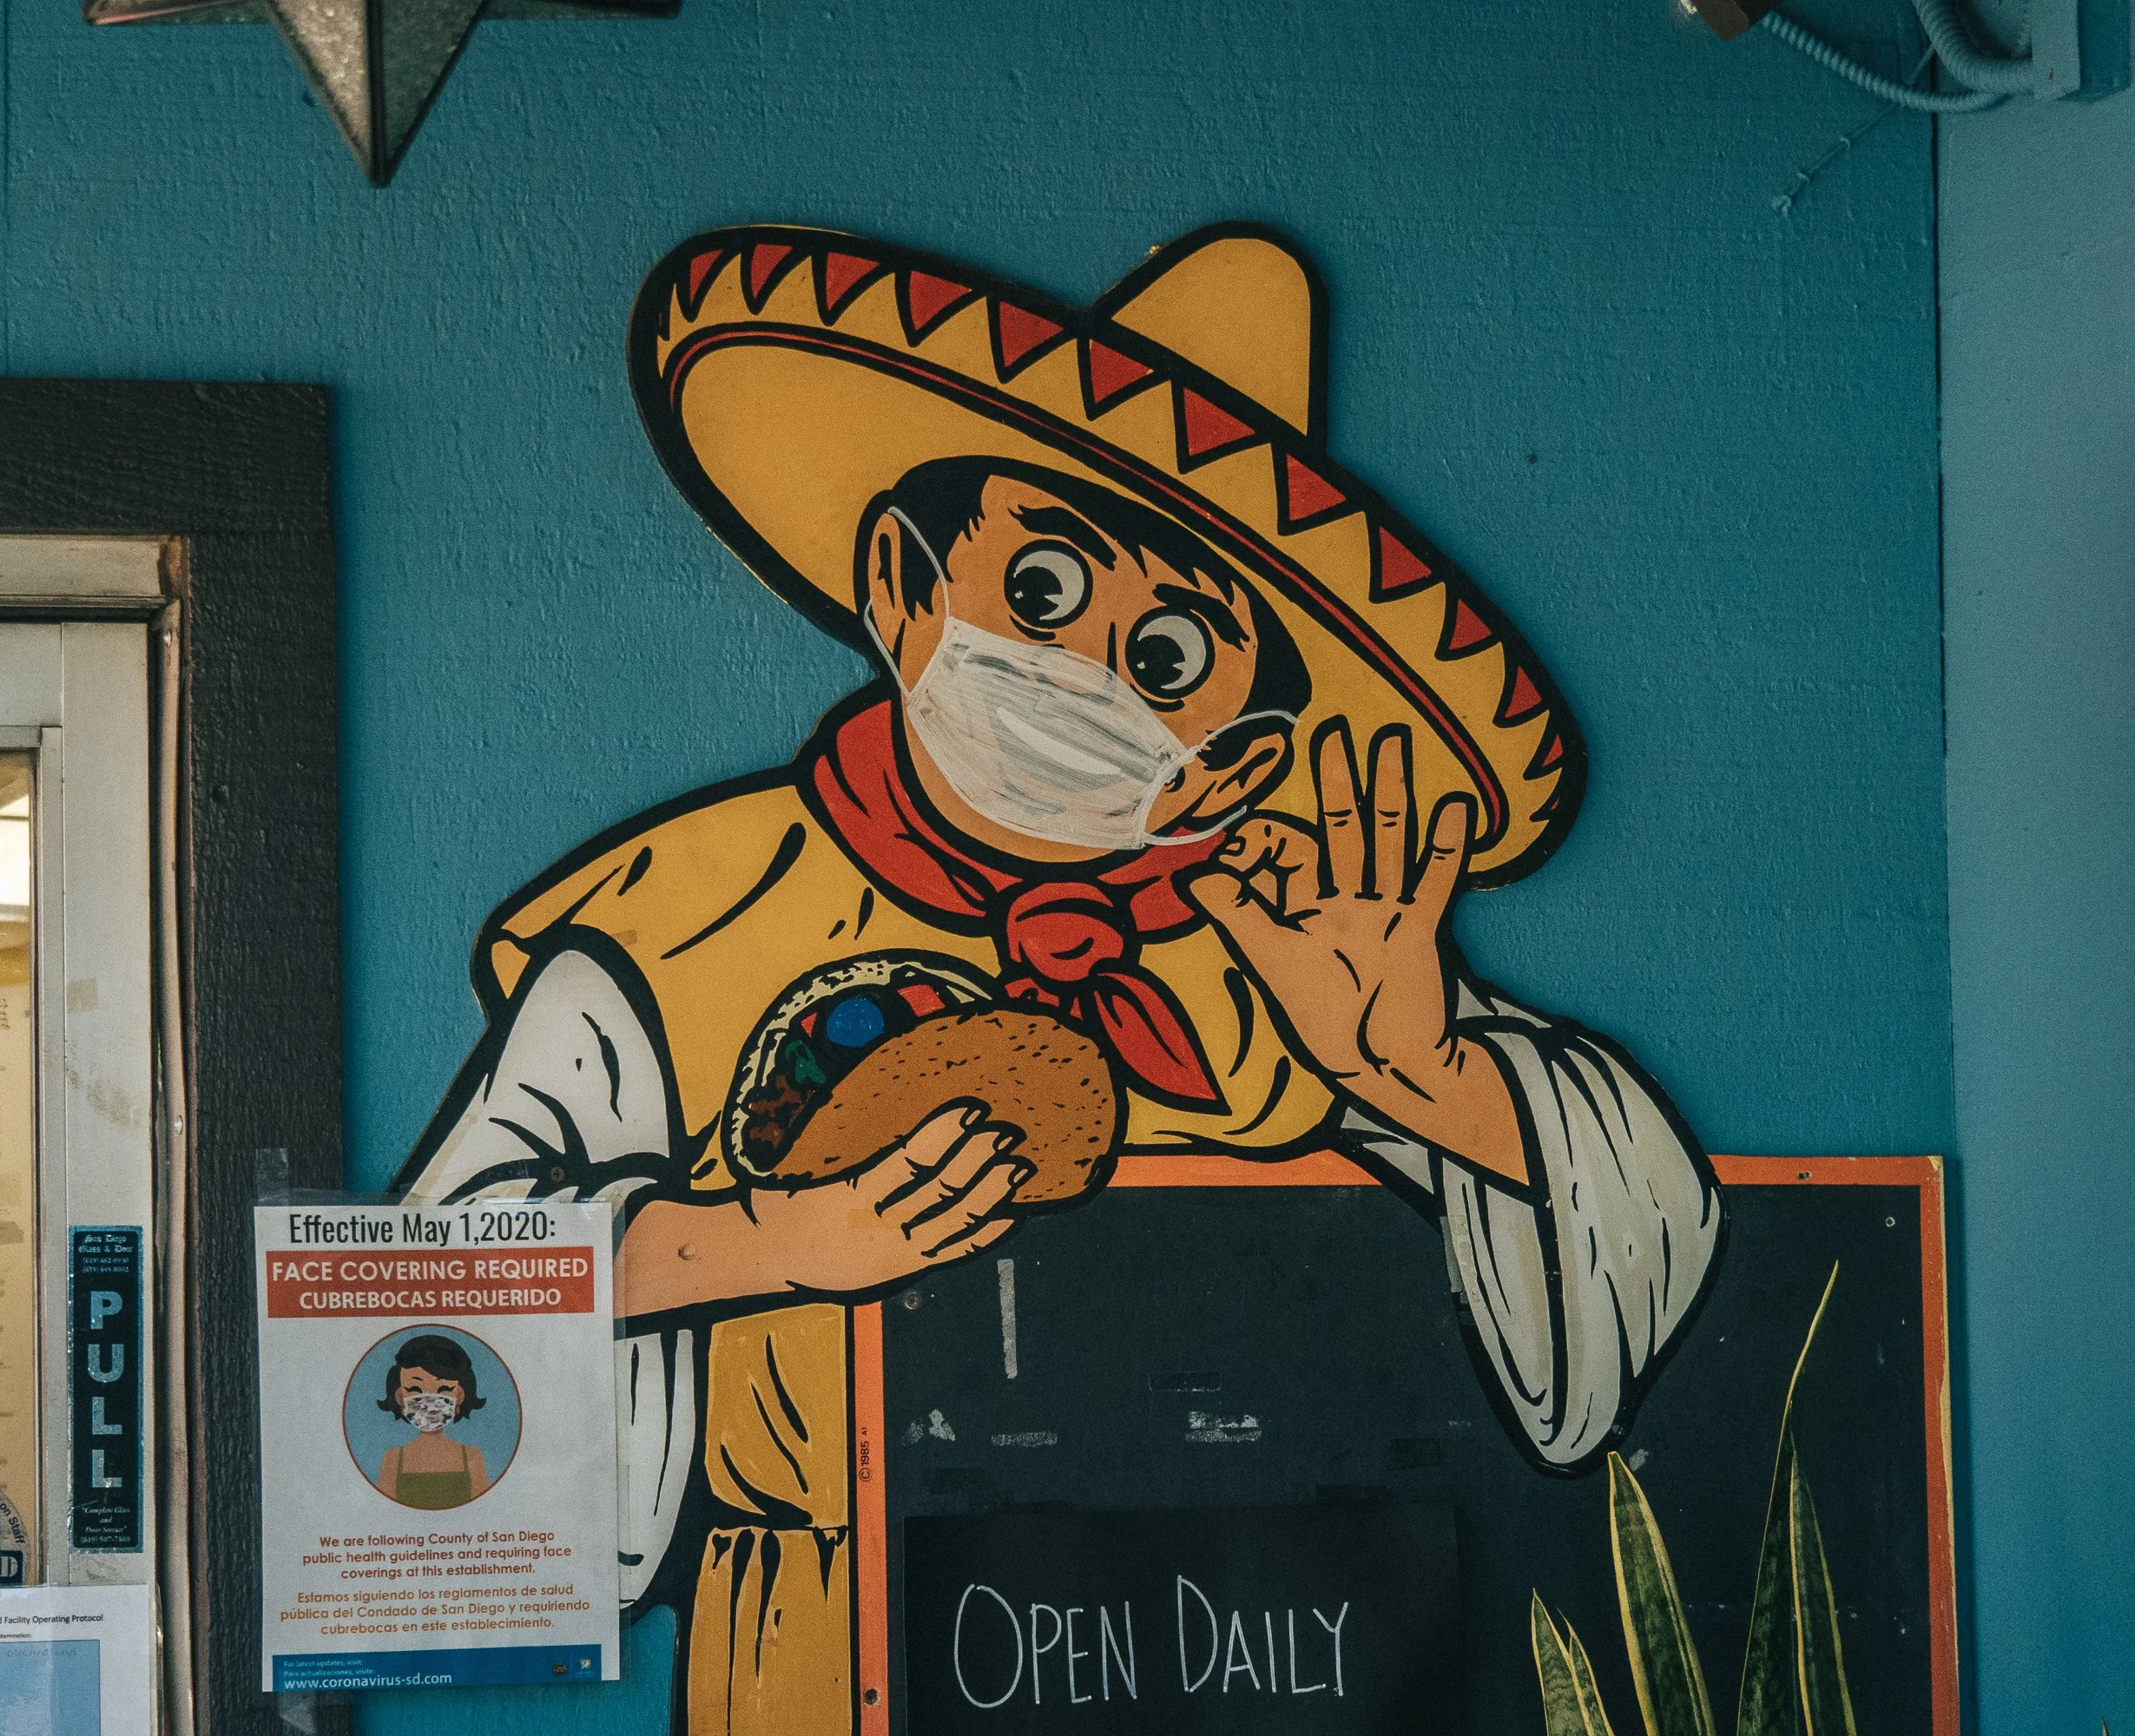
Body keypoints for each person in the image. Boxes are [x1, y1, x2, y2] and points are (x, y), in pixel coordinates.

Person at [392, 224, 1722, 1733]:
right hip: (827, 1652)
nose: (1090, 667)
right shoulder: (673, 920)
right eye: (1041, 586)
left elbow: (1643, 1217)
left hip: (1236, 1640)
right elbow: (421, 1311)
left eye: (1165, 656)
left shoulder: (1285, 939)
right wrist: (768, 1240)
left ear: (1245, 758)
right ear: (899, 584)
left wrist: (1419, 1076)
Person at [372, 1333, 492, 1512]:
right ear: (400, 1397)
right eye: (415, 1389)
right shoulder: (392, 1459)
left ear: (459, 1395)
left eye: (443, 1389)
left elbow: (485, 1513)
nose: (428, 1401)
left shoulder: (473, 1457)